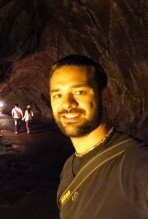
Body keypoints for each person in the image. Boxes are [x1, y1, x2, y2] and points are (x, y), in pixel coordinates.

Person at [49, 54, 148, 219]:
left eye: (79, 91)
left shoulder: (135, 164)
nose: (67, 103)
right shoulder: (68, 167)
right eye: (57, 95)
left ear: (105, 97)